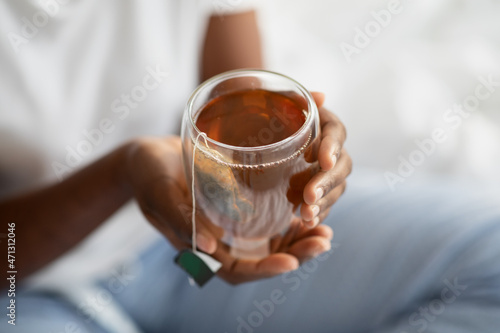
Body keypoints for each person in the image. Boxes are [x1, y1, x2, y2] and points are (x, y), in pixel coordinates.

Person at [1, 1, 499, 332]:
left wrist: (299, 157)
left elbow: (238, 99)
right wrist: (122, 175)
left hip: (188, 246)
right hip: (31, 287)